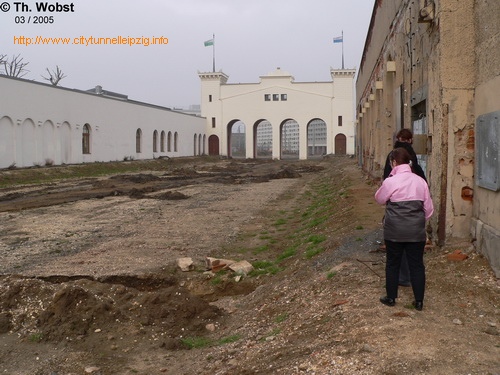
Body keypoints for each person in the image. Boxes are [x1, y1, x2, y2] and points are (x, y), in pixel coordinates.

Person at [375, 147, 434, 311]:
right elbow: (428, 209)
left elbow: (379, 199)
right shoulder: (420, 181)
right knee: (417, 265)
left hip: (394, 231)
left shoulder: (390, 181)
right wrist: (417, 222)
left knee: (392, 264)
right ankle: (419, 302)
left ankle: (391, 298)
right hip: (416, 232)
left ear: (394, 162)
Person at [382, 128, 427, 287]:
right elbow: (422, 180)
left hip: (395, 205)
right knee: (413, 251)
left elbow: (384, 183)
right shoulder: (411, 156)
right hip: (415, 207)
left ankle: (398, 282)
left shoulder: (392, 155)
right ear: (409, 140)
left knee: (395, 247)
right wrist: (422, 217)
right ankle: (414, 288)